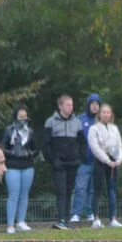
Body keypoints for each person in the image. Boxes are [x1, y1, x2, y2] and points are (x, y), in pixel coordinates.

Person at [42, 94, 86, 229]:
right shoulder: (51, 122)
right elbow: (46, 144)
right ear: (60, 106)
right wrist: (52, 160)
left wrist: (80, 158)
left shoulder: (77, 122)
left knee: (69, 191)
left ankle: (66, 220)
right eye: (67, 105)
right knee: (61, 190)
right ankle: (61, 219)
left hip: (73, 162)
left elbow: (82, 142)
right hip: (58, 163)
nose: (70, 108)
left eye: (72, 105)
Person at [1, 105, 38, 233]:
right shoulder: (9, 130)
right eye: (20, 116)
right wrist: (13, 153)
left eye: (25, 116)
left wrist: (29, 153)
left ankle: (21, 221)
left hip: (27, 166)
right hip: (12, 166)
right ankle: (10, 224)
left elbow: (35, 149)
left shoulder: (30, 132)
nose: (23, 119)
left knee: (24, 195)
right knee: (13, 194)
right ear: (16, 117)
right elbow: (2, 147)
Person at [88, 103, 122, 229]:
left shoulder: (114, 128)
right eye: (103, 112)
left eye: (108, 112)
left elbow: (120, 145)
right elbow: (95, 148)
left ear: (111, 114)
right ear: (99, 114)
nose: (106, 114)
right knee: (97, 190)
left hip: (113, 162)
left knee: (112, 189)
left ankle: (112, 218)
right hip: (100, 162)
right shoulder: (94, 129)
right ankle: (96, 219)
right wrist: (107, 160)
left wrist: (119, 159)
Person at [71, 93, 101, 222]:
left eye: (97, 104)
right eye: (92, 104)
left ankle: (90, 213)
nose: (94, 107)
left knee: (93, 190)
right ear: (88, 105)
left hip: (98, 162)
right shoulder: (79, 120)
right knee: (80, 188)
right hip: (83, 162)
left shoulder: (103, 121)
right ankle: (76, 213)